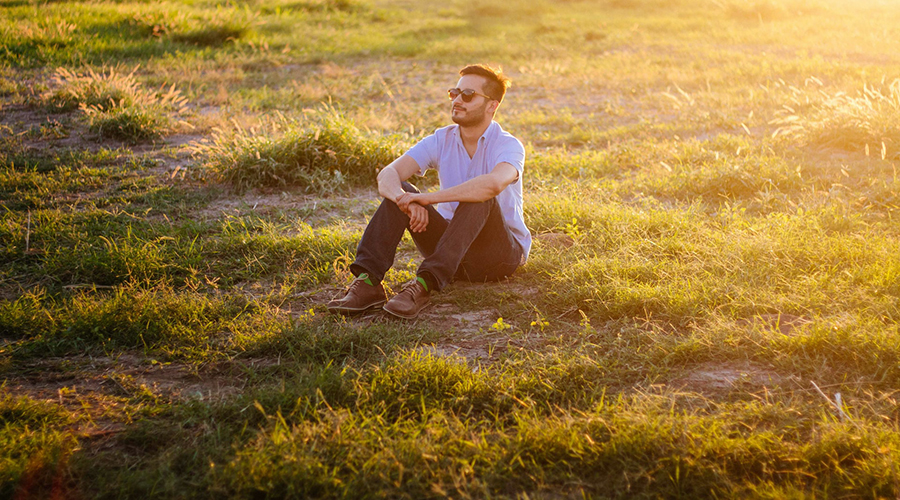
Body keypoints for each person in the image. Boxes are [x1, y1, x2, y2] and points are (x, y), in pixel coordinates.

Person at [327, 64, 531, 319]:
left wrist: (426, 199)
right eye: (454, 93)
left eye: (468, 95)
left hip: (497, 257)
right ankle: (368, 283)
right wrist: (406, 200)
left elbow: (492, 184)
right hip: (449, 248)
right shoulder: (440, 139)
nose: (457, 100)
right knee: (400, 190)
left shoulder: (509, 145)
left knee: (479, 197)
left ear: (492, 106)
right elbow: (388, 175)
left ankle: (424, 285)